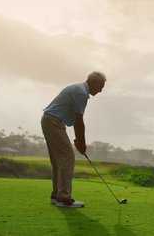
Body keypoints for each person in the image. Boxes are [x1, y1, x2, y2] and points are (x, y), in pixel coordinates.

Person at [41, 71, 106, 208]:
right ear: (94, 83)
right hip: (53, 121)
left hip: (49, 120)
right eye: (100, 87)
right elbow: (78, 120)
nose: (100, 91)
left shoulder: (79, 89)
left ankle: (56, 195)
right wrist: (81, 143)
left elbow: (76, 120)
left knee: (58, 161)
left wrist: (78, 140)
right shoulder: (81, 93)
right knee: (67, 158)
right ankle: (64, 198)